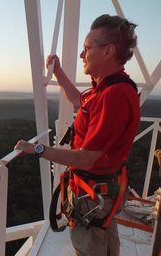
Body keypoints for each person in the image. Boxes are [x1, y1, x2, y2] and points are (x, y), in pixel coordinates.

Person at [14, 14, 140, 256]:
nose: (82, 55)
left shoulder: (113, 95)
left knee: (89, 247)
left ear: (108, 51)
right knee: (106, 241)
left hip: (94, 196)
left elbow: (85, 158)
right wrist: (59, 72)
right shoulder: (105, 89)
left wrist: (37, 149)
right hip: (103, 191)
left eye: (86, 49)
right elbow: (77, 100)